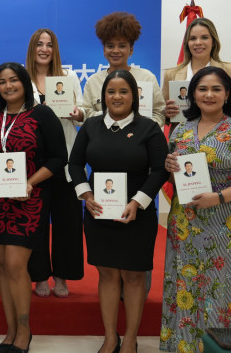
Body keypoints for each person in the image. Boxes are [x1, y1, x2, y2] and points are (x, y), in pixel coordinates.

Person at [160, 67, 231, 352]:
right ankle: (184, 346)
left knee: (227, 287)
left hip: (227, 226)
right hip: (185, 224)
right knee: (186, 284)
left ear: (227, 94)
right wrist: (170, 168)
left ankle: (226, 347)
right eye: (202, 89)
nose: (209, 94)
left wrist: (217, 197)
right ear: (192, 93)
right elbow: (174, 177)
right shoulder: (181, 129)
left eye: (216, 89)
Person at [69, 69, 168, 353]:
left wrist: (137, 202)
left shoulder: (149, 128)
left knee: (134, 276)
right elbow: (75, 164)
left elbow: (160, 170)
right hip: (99, 210)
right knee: (108, 274)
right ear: (103, 97)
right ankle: (110, 337)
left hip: (137, 211)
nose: (117, 97)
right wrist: (85, 194)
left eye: (124, 91)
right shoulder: (90, 126)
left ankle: (131, 339)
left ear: (135, 95)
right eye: (111, 92)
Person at [0, 62, 67, 353]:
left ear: (24, 82)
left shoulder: (41, 113)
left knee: (17, 265)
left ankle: (25, 331)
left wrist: (30, 183)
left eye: (14, 80)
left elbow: (58, 158)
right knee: (4, 266)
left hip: (29, 200)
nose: (8, 86)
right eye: (2, 82)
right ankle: (10, 329)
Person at [24, 28, 84, 299]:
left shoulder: (69, 76)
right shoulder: (21, 78)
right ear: (32, 48)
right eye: (39, 44)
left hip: (66, 160)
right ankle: (38, 276)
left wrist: (77, 112)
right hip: (33, 164)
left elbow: (83, 111)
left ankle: (61, 275)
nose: (44, 49)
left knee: (67, 222)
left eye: (49, 44)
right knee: (34, 223)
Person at [80, 12, 165, 128]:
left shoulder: (147, 78)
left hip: (140, 141)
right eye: (110, 46)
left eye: (122, 46)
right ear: (104, 50)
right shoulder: (93, 81)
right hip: (105, 140)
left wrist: (144, 130)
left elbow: (159, 113)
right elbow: (87, 113)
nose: (115, 51)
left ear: (131, 49)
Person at [162, 18, 231, 124]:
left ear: (214, 41)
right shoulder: (171, 74)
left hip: (221, 137)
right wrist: (166, 113)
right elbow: (160, 114)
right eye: (192, 38)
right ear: (187, 43)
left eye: (204, 37)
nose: (198, 42)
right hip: (182, 138)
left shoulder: (230, 70)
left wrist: (214, 112)